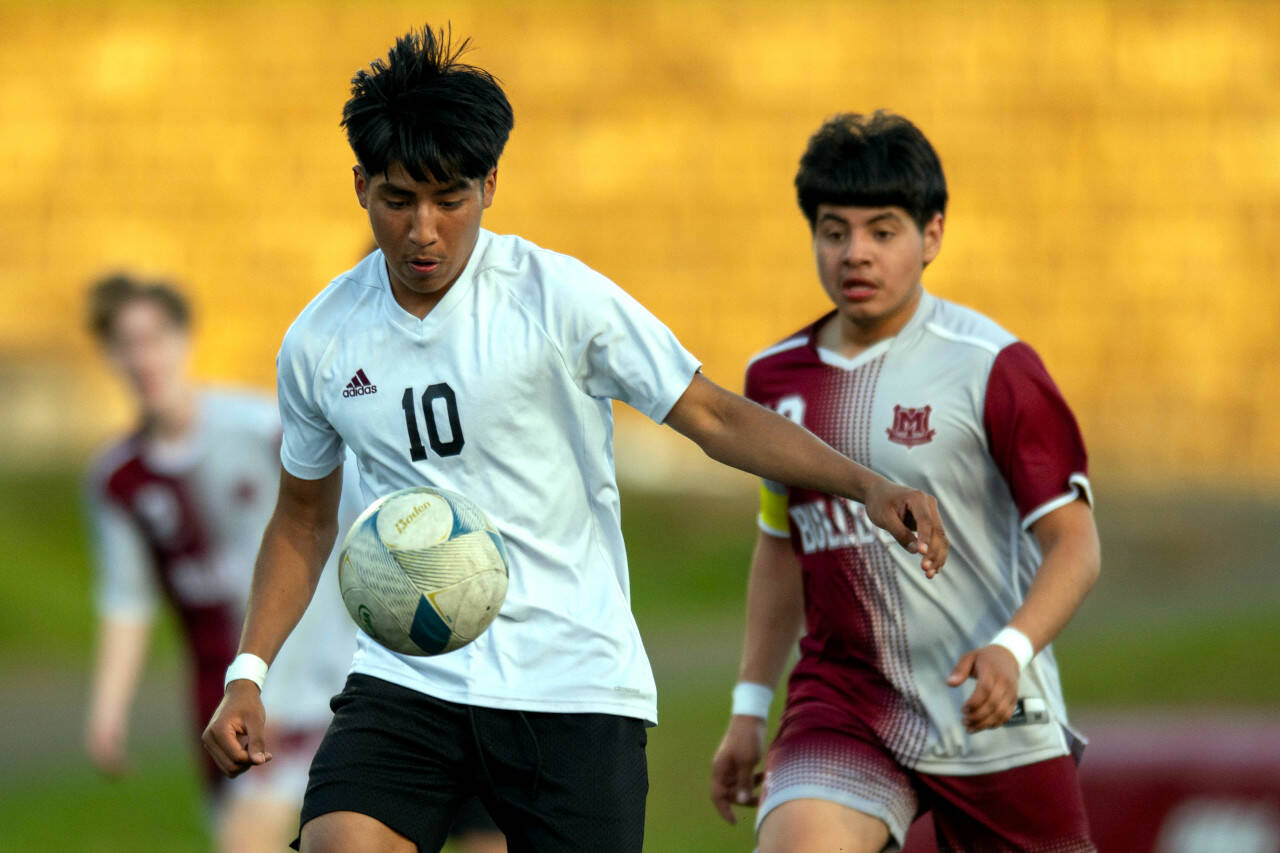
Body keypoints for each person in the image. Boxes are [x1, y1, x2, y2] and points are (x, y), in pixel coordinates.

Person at [201, 27, 947, 853]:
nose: (423, 230)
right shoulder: (322, 339)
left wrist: (868, 484)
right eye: (397, 198)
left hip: (572, 688)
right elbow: (302, 520)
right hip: (405, 683)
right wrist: (248, 673)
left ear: (490, 184)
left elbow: (714, 415)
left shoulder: (559, 301)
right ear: (359, 186)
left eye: (450, 198)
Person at [708, 111, 1102, 852]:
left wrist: (1011, 651)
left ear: (933, 235)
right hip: (845, 700)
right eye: (833, 230)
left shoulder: (994, 366)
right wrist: (748, 706)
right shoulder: (775, 379)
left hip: (983, 695)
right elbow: (780, 546)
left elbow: (1076, 545)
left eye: (882, 230)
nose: (855, 253)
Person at [83, 273, 360, 853]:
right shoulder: (117, 479)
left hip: (320, 693)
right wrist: (108, 710)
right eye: (126, 343)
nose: (143, 357)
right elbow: (127, 600)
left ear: (184, 339)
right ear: (108, 353)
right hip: (222, 701)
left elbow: (342, 521)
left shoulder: (261, 429)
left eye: (155, 337)